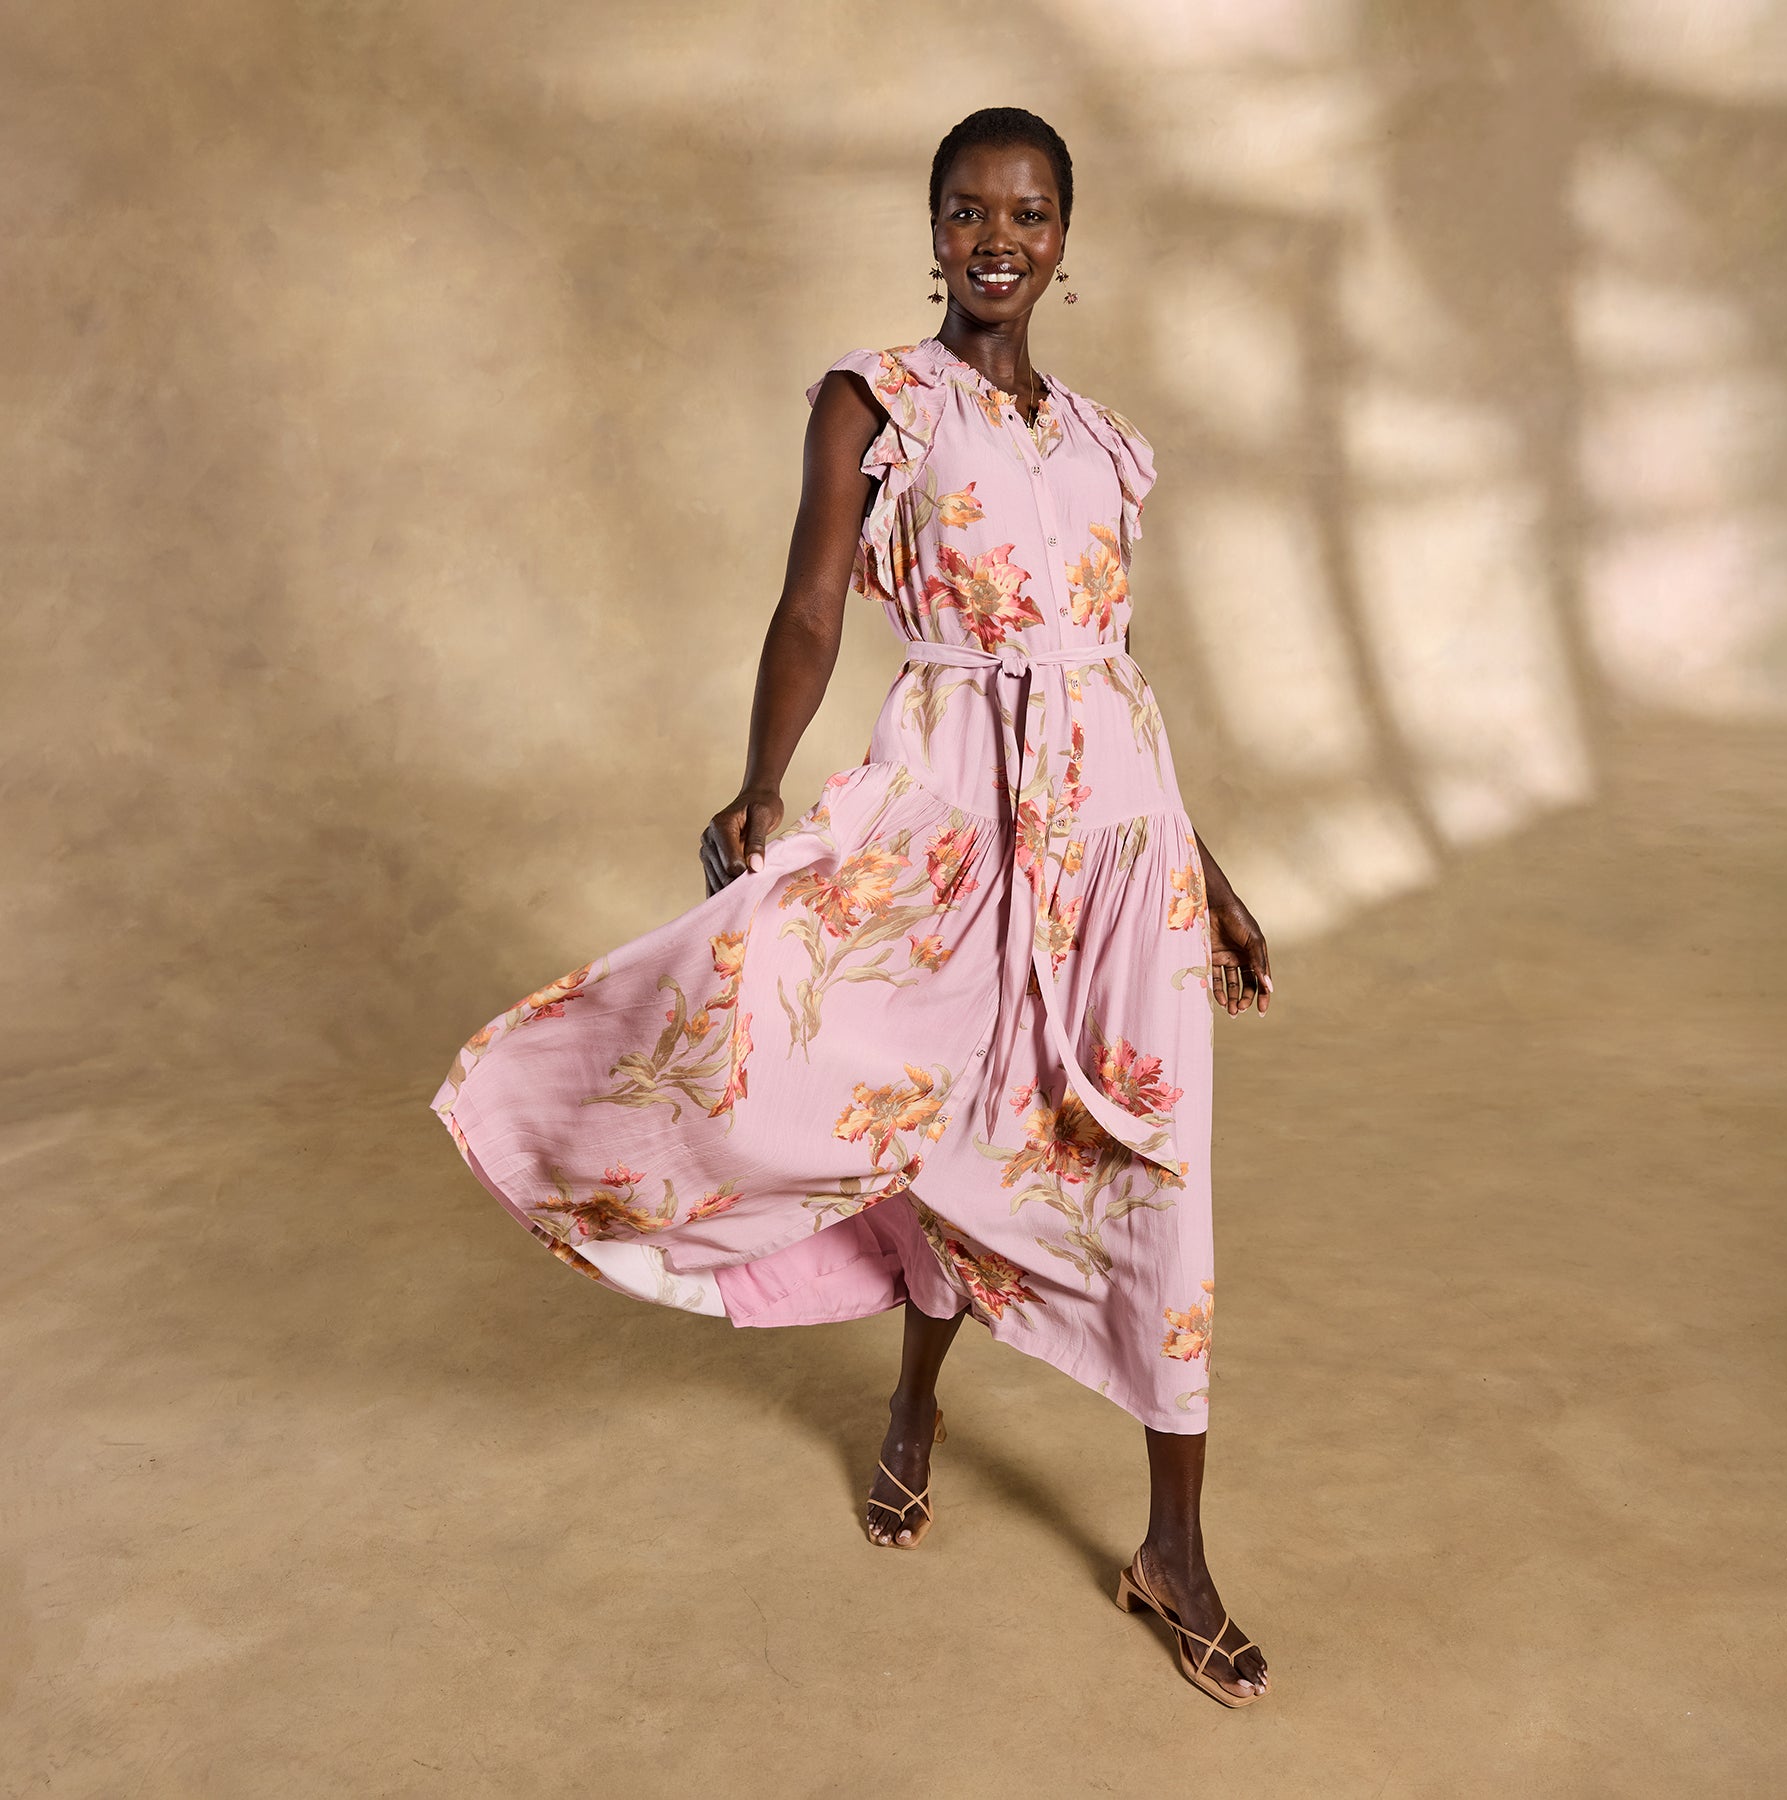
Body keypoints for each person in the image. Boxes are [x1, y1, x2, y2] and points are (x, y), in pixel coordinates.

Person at [430, 106, 1272, 1704]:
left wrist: (1204, 871)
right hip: (950, 830)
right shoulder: (875, 401)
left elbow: (1112, 677)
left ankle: (1173, 1549)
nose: (998, 241)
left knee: (1164, 1178)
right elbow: (812, 607)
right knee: (921, 1116)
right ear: (933, 229)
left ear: (1068, 238)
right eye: (969, 212)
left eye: (1029, 213)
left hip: (1119, 855)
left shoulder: (1104, 445)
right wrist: (760, 780)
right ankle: (912, 1402)